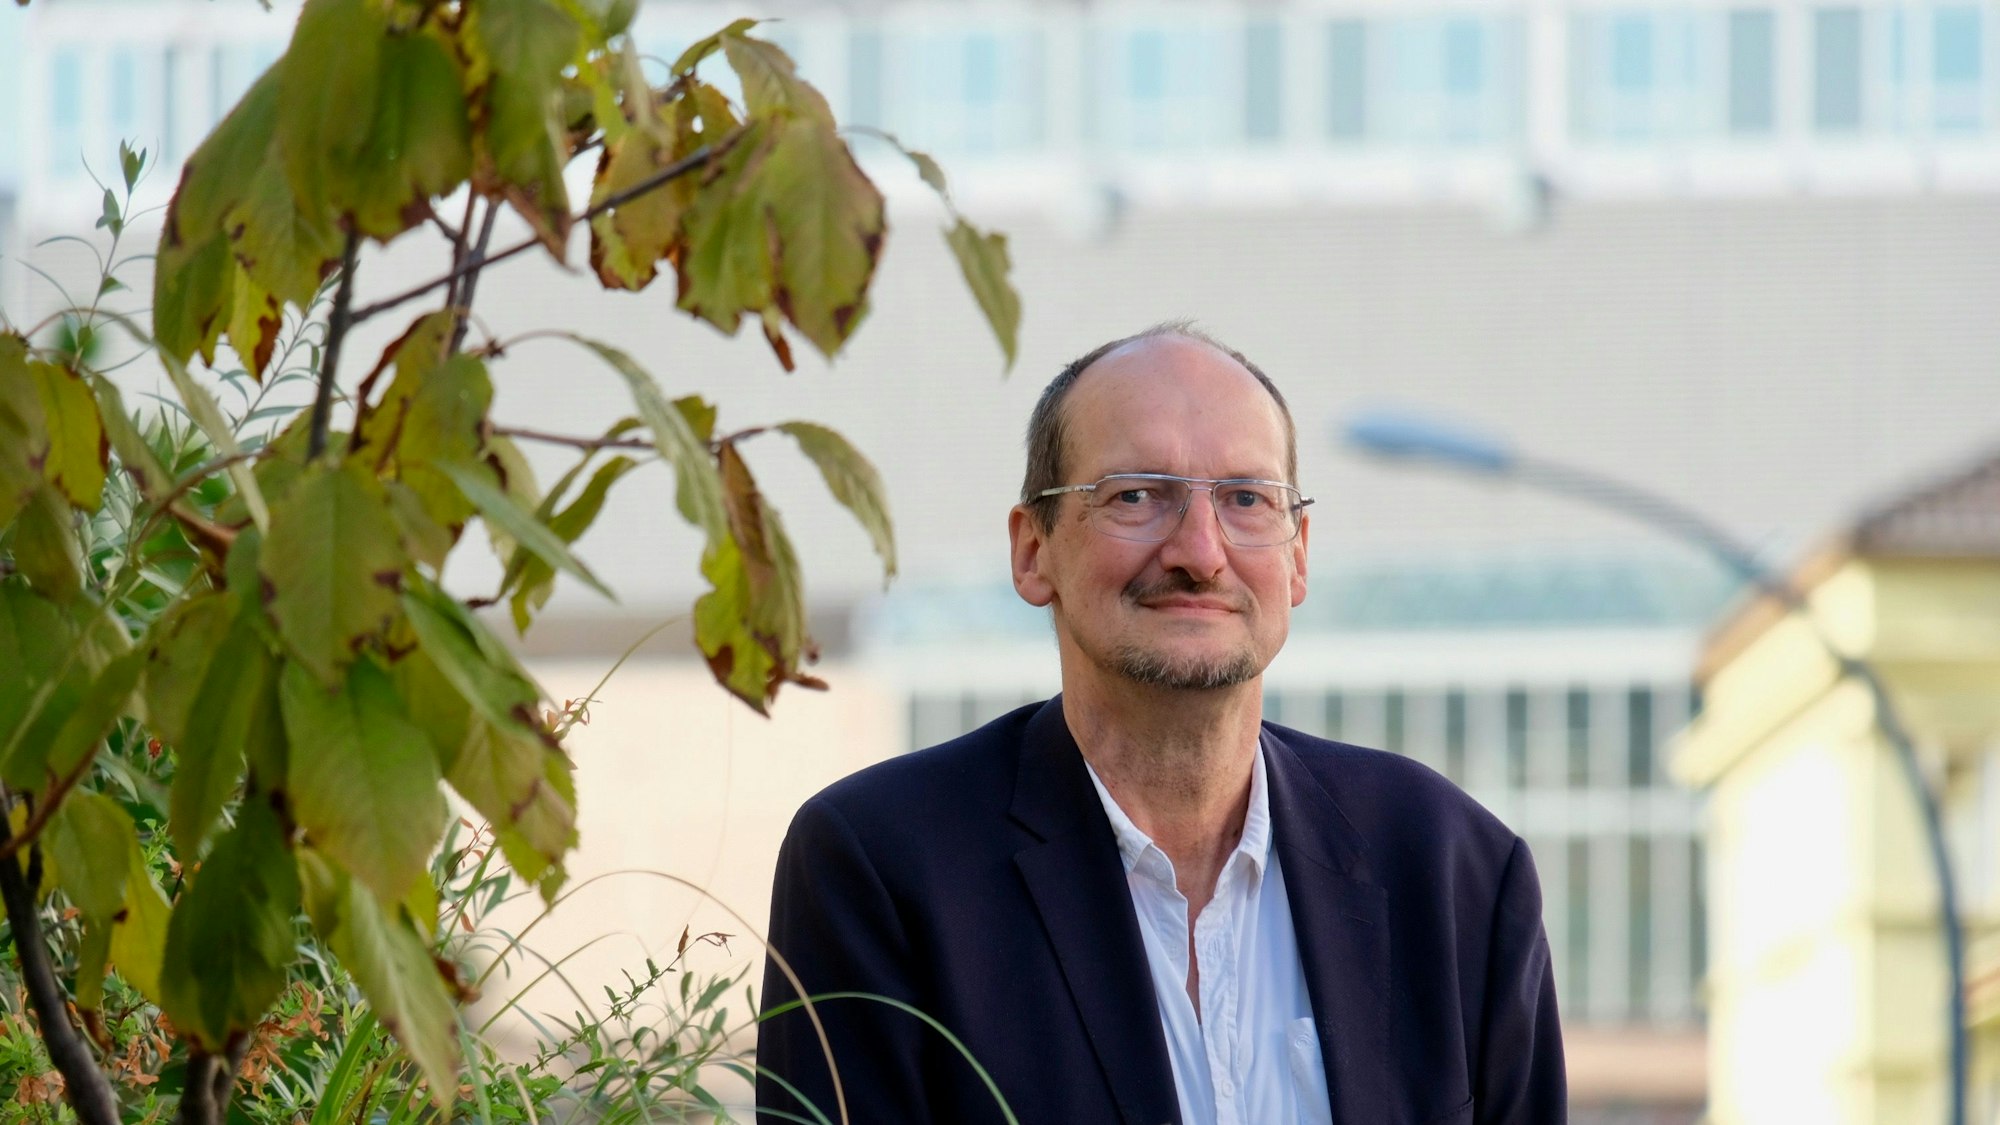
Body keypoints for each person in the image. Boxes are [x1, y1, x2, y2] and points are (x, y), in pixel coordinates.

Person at [755, 324, 1566, 1125]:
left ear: (1298, 556)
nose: (1200, 552)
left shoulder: (1453, 868)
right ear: (1033, 549)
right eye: (1137, 495)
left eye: (1247, 499)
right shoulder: (881, 866)